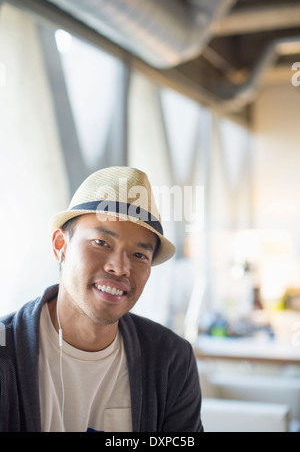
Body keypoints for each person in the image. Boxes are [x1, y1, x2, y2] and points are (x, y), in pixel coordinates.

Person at [0, 166, 203, 432]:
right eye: (101, 242)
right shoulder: (6, 350)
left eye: (139, 255)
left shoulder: (171, 359)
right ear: (60, 246)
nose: (120, 268)